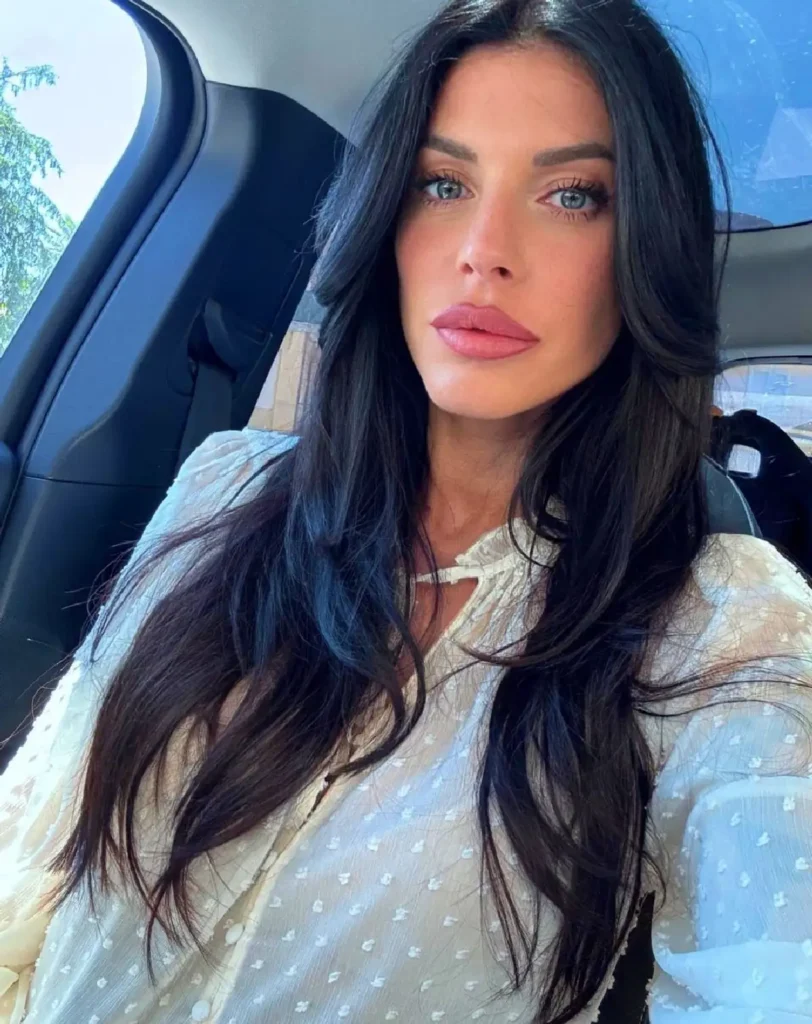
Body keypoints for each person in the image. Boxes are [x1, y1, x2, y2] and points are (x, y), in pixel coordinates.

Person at [1, 0, 811, 1021]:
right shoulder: (226, 486)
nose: (481, 249)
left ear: (642, 246)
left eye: (570, 195)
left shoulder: (727, 621)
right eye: (440, 182)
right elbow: (26, 860)